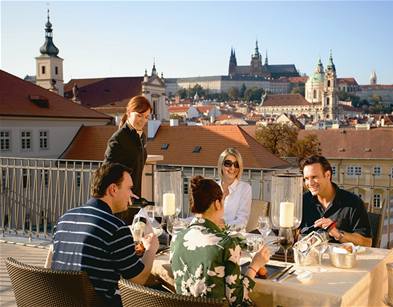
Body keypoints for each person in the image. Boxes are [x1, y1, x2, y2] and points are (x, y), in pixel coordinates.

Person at [49, 163, 159, 306]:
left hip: (61, 301)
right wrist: (151, 249)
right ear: (113, 189)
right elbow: (137, 279)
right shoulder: (116, 227)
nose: (132, 195)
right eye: (129, 189)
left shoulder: (64, 218)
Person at [170, 176, 270, 305]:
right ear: (217, 203)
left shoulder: (177, 239)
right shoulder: (226, 244)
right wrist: (255, 266)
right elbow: (238, 301)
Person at [300, 155, 372, 247]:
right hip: (309, 258)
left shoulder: (353, 202)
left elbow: (367, 243)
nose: (309, 183)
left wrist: (337, 233)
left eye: (314, 177)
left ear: (328, 175)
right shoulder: (303, 201)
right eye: (306, 178)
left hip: (341, 259)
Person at [104, 95, 152, 198]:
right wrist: (124, 192)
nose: (143, 120)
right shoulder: (118, 138)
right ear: (129, 113)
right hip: (119, 199)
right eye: (139, 115)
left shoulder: (141, 136)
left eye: (146, 117)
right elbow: (106, 171)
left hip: (133, 198)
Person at [217, 148, 252, 228]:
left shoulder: (245, 189)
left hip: (233, 237)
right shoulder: (213, 187)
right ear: (221, 165)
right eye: (228, 163)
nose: (232, 168)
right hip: (212, 235)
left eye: (236, 164)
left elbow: (242, 221)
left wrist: (222, 226)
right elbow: (203, 214)